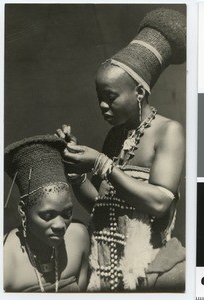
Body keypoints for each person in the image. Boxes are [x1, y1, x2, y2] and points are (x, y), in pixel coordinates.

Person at [56, 8, 186, 292]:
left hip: (150, 271)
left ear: (139, 92)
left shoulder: (169, 132)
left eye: (111, 97)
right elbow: (99, 205)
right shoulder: (116, 136)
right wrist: (76, 174)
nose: (103, 105)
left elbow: (159, 203)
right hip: (106, 270)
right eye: (99, 98)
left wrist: (104, 165)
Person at [4, 135, 90, 292]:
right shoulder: (5, 259)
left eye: (67, 213)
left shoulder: (78, 238)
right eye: (48, 216)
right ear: (23, 210)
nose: (60, 225)